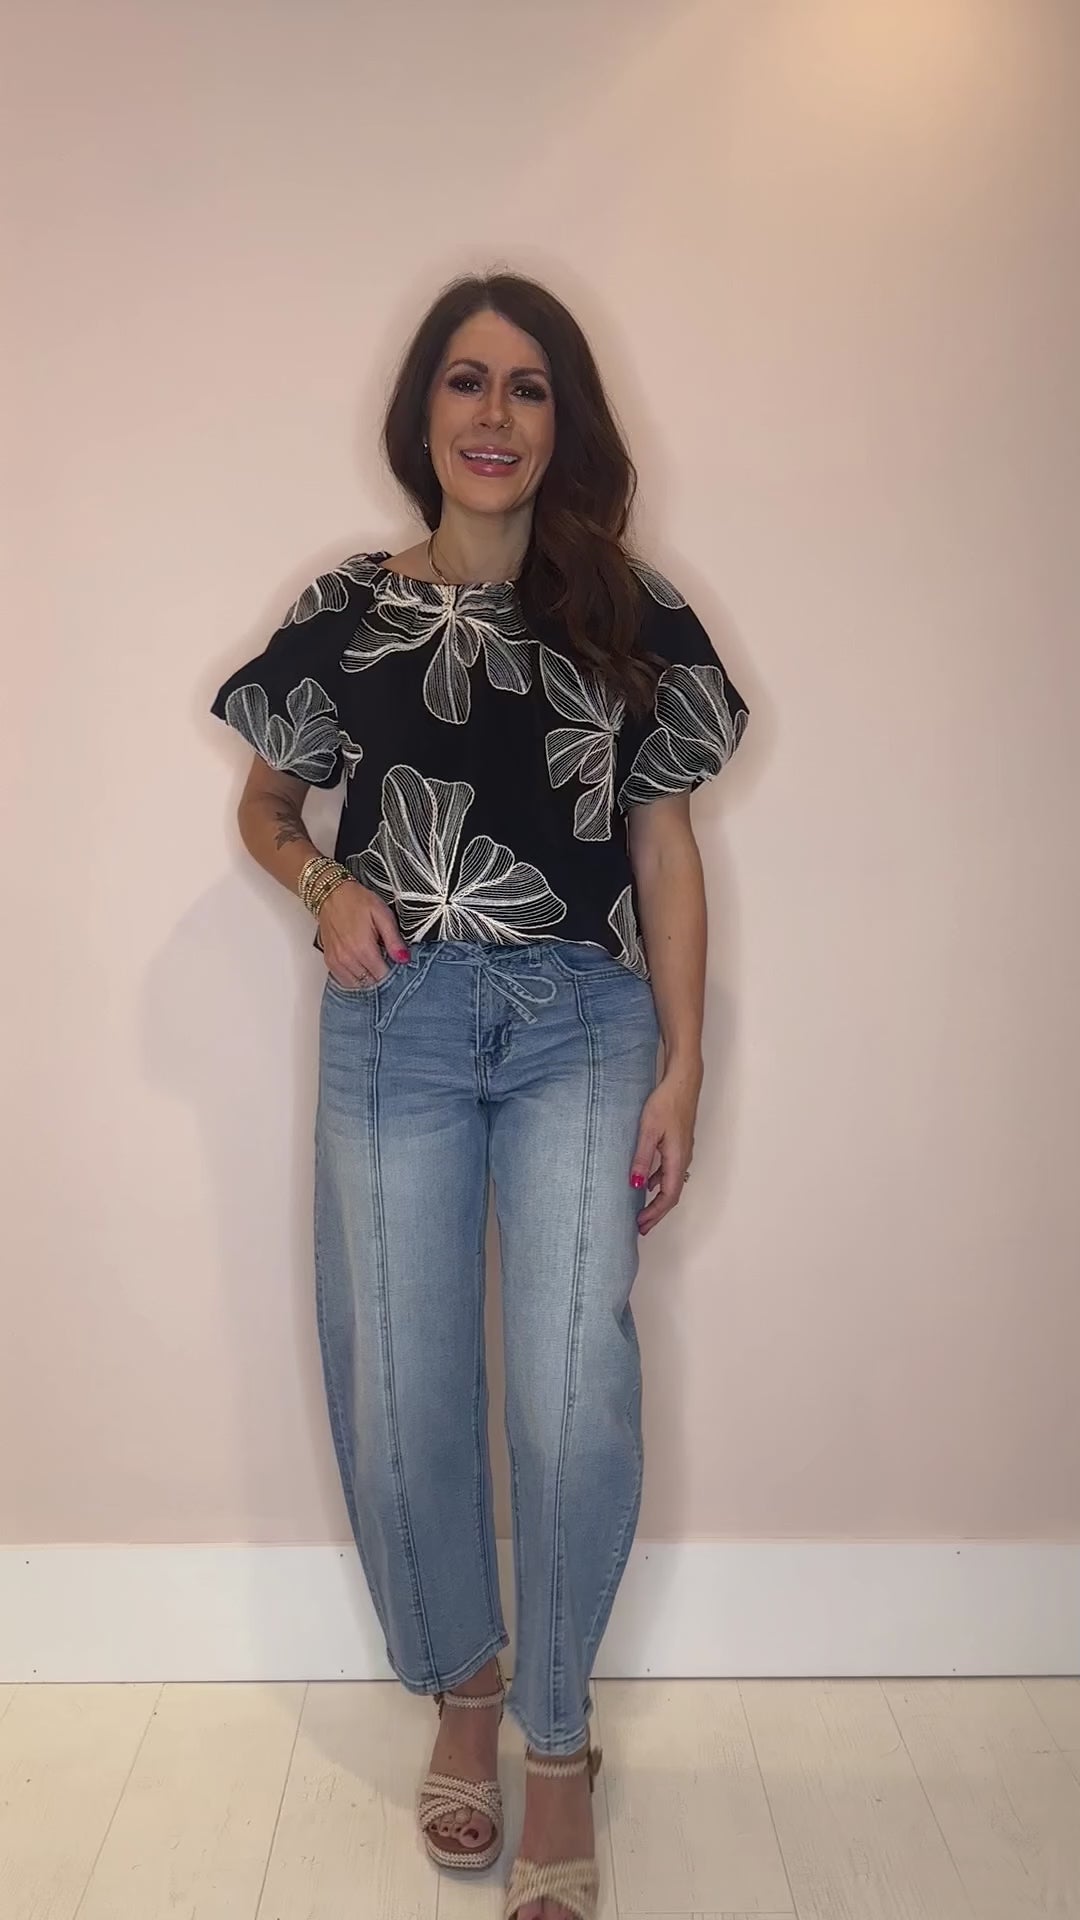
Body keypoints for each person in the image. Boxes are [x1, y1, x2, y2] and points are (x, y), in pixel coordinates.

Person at [211, 272, 748, 1920]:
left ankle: (559, 1742)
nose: (494, 414)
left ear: (560, 422)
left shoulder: (629, 615)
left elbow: (665, 847)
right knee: (401, 1381)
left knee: (572, 1390)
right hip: (400, 1024)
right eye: (466, 380)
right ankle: (466, 1682)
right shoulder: (346, 608)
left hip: (584, 1021)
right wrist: (323, 888)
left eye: (526, 387)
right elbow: (264, 809)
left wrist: (685, 1062)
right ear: (425, 414)